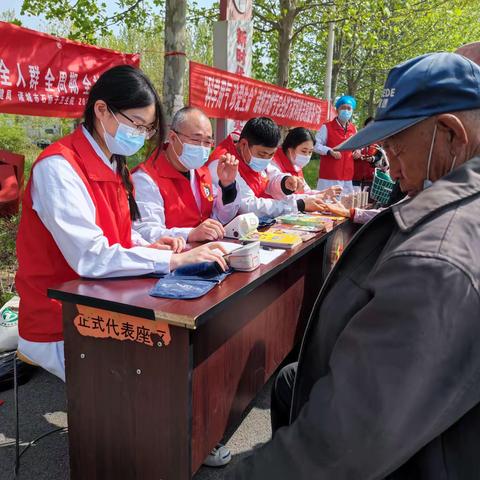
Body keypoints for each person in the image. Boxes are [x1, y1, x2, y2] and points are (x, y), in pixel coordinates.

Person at [226, 52, 480, 479]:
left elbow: (338, 449)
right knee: (292, 382)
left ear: (450, 136)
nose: (389, 167)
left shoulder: (438, 259)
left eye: (395, 148)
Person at [15, 65, 228, 382]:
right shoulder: (59, 168)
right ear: (101, 109)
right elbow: (90, 256)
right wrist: (172, 259)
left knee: (172, 362)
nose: (140, 136)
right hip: (60, 317)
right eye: (136, 124)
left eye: (147, 129)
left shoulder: (113, 164)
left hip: (105, 303)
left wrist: (148, 244)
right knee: (147, 380)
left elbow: (120, 231)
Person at [132, 107, 239, 247]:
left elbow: (220, 218)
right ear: (172, 138)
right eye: (195, 139)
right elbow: (146, 232)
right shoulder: (146, 179)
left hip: (208, 252)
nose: (202, 147)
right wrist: (190, 233)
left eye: (207, 142)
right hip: (173, 260)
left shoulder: (201, 171)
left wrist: (227, 185)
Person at [208, 117, 328, 218]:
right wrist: (297, 205)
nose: (266, 159)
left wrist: (285, 182)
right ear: (244, 144)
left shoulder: (251, 155)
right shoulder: (223, 162)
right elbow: (248, 206)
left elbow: (270, 176)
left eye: (271, 155)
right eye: (262, 154)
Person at [314, 95, 361, 194]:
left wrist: (358, 151)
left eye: (349, 108)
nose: (346, 111)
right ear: (337, 109)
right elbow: (315, 145)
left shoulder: (353, 129)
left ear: (352, 111)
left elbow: (357, 146)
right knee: (325, 205)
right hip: (329, 177)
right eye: (343, 108)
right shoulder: (327, 127)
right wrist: (329, 151)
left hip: (347, 177)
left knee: (344, 206)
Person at [272, 127, 315, 194]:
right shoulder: (273, 162)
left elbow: (306, 191)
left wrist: (323, 194)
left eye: (310, 152)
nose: (307, 156)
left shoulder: (296, 165)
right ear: (290, 150)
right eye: (304, 151)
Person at [352, 116, 387, 190]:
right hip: (355, 177)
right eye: (369, 125)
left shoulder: (379, 141)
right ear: (365, 126)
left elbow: (379, 156)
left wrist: (372, 159)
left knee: (368, 200)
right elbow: (349, 152)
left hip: (371, 178)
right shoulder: (357, 138)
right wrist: (354, 153)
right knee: (354, 198)